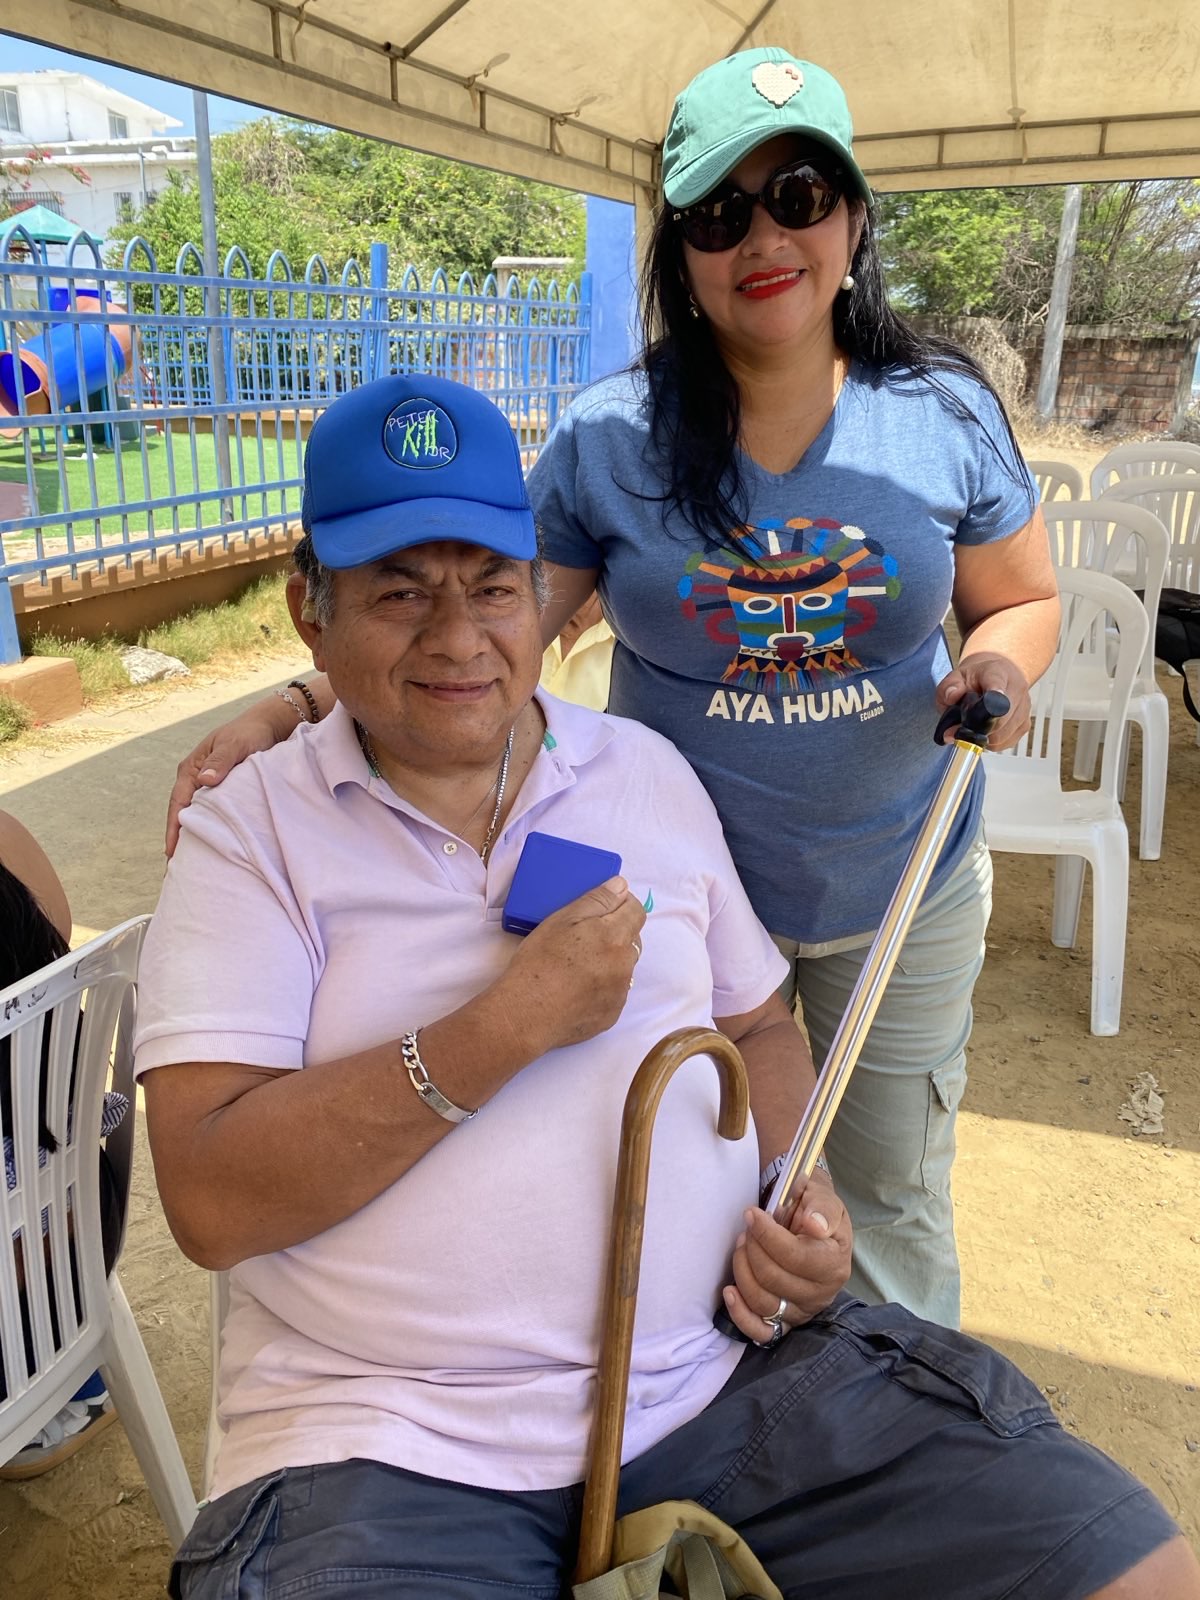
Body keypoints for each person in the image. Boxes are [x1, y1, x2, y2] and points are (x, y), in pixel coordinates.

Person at [135, 374, 1196, 1600]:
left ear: (541, 594)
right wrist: (501, 1030)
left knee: (1136, 1571)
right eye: (399, 592)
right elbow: (209, 1198)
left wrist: (801, 1199)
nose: (459, 637)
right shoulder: (249, 833)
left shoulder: (641, 771)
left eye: (493, 586)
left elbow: (757, 1025)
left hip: (726, 1377)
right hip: (390, 1444)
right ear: (308, 614)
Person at [163, 48, 1062, 1331]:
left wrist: (1000, 662)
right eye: (719, 213)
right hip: (685, 891)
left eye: (799, 195)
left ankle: (888, 1402)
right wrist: (297, 705)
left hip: (900, 875)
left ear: (855, 217)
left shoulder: (943, 414)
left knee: (884, 1197)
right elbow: (473, 628)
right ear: (679, 250)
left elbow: (1023, 595)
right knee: (694, 1175)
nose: (764, 238)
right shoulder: (609, 436)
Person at [0, 809, 121, 1478]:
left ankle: (66, 1403)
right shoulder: (5, 832)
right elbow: (60, 932)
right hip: (78, 1203)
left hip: (28, 1284)